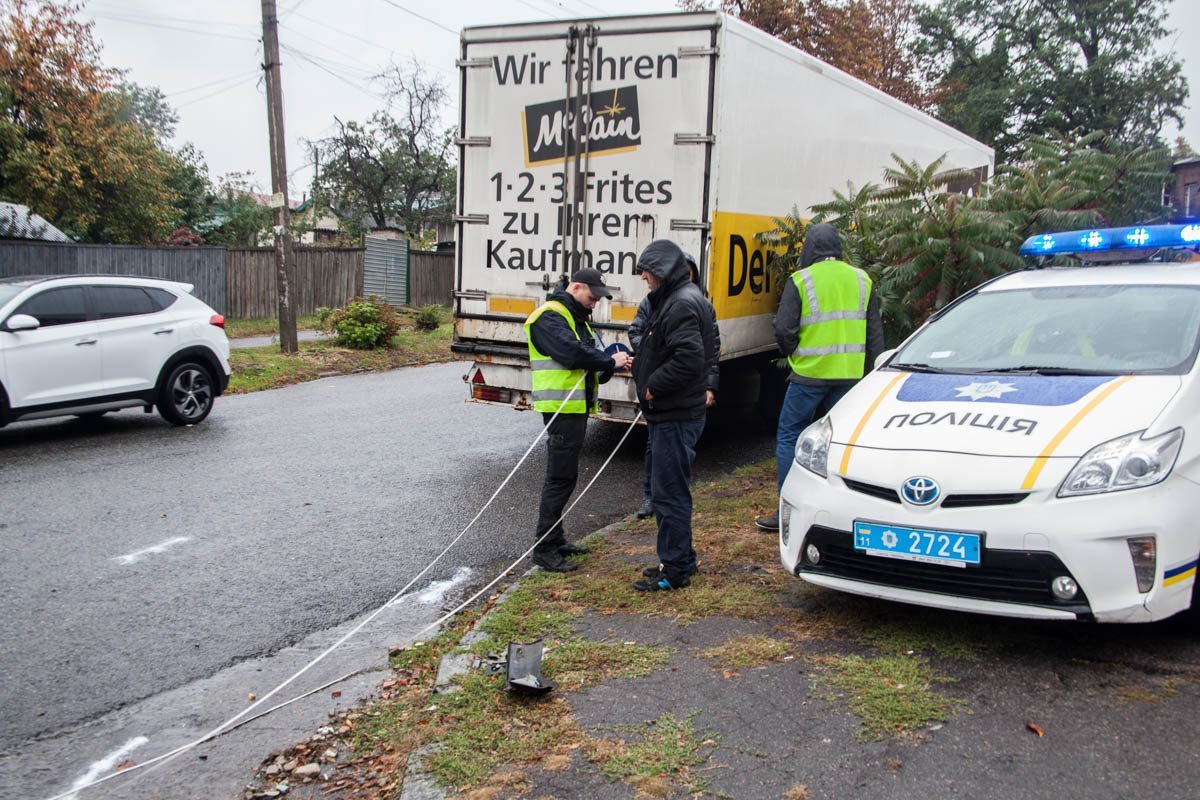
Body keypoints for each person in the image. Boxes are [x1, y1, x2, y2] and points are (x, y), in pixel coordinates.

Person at [756, 223, 884, 531]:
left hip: (809, 377)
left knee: (790, 436)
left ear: (809, 250)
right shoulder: (862, 279)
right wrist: (872, 374)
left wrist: (796, 357)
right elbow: (875, 334)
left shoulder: (801, 280)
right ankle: (843, 510)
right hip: (850, 379)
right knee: (843, 444)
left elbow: (784, 330)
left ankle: (787, 510)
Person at [525, 267, 632, 572]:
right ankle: (544, 548)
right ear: (575, 287)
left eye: (598, 298)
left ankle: (556, 538)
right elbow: (571, 354)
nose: (595, 302)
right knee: (559, 477)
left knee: (566, 475)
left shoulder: (576, 318)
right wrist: (608, 361)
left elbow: (590, 356)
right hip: (561, 409)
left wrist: (612, 364)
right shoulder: (549, 316)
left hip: (574, 407)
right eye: (592, 295)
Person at [630, 240, 716, 591]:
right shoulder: (684, 296)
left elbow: (689, 358)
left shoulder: (680, 302)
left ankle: (675, 569)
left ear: (663, 270)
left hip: (675, 412)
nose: (645, 278)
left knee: (669, 494)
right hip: (678, 410)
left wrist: (653, 386)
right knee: (672, 491)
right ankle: (680, 558)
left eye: (647, 271)